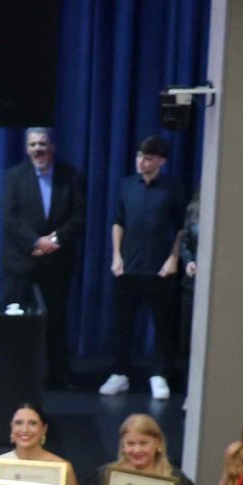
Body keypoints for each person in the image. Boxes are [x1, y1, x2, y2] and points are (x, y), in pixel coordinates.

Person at [98, 135, 186, 398]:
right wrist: (117, 255)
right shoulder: (127, 185)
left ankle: (159, 374)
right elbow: (118, 220)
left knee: (162, 324)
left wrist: (174, 257)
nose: (141, 161)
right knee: (122, 322)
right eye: (139, 156)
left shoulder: (173, 188)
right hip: (128, 266)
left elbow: (182, 227)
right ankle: (120, 372)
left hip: (160, 267)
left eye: (147, 158)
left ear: (161, 160)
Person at [0, 127, 85, 385]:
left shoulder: (71, 176)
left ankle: (58, 376)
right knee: (16, 322)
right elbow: (9, 217)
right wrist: (35, 242)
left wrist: (54, 241)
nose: (38, 149)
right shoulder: (14, 177)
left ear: (53, 146)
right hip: (21, 262)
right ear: (26, 149)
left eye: (43, 144)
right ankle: (12, 375)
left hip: (57, 262)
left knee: (55, 321)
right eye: (33, 144)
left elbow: (79, 215)